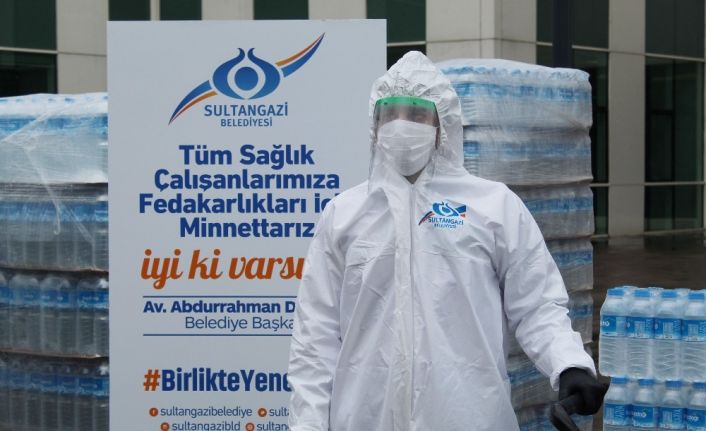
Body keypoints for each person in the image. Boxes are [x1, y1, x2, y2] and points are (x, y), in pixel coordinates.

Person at [287, 51, 606, 431]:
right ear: (375, 124)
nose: (401, 125)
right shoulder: (345, 214)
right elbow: (315, 335)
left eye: (416, 114)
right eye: (390, 113)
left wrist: (568, 363)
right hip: (365, 418)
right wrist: (307, 424)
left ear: (443, 125)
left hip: (469, 416)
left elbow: (536, 304)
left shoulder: (493, 206)